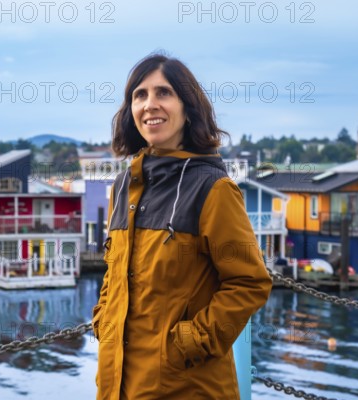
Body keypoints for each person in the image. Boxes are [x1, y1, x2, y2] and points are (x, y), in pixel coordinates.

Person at [92, 53, 272, 399]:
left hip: (186, 386)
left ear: (188, 108)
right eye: (140, 95)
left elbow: (249, 282)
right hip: (117, 384)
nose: (150, 104)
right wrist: (104, 318)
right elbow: (114, 273)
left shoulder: (212, 189)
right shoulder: (122, 186)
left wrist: (189, 344)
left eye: (164, 93)